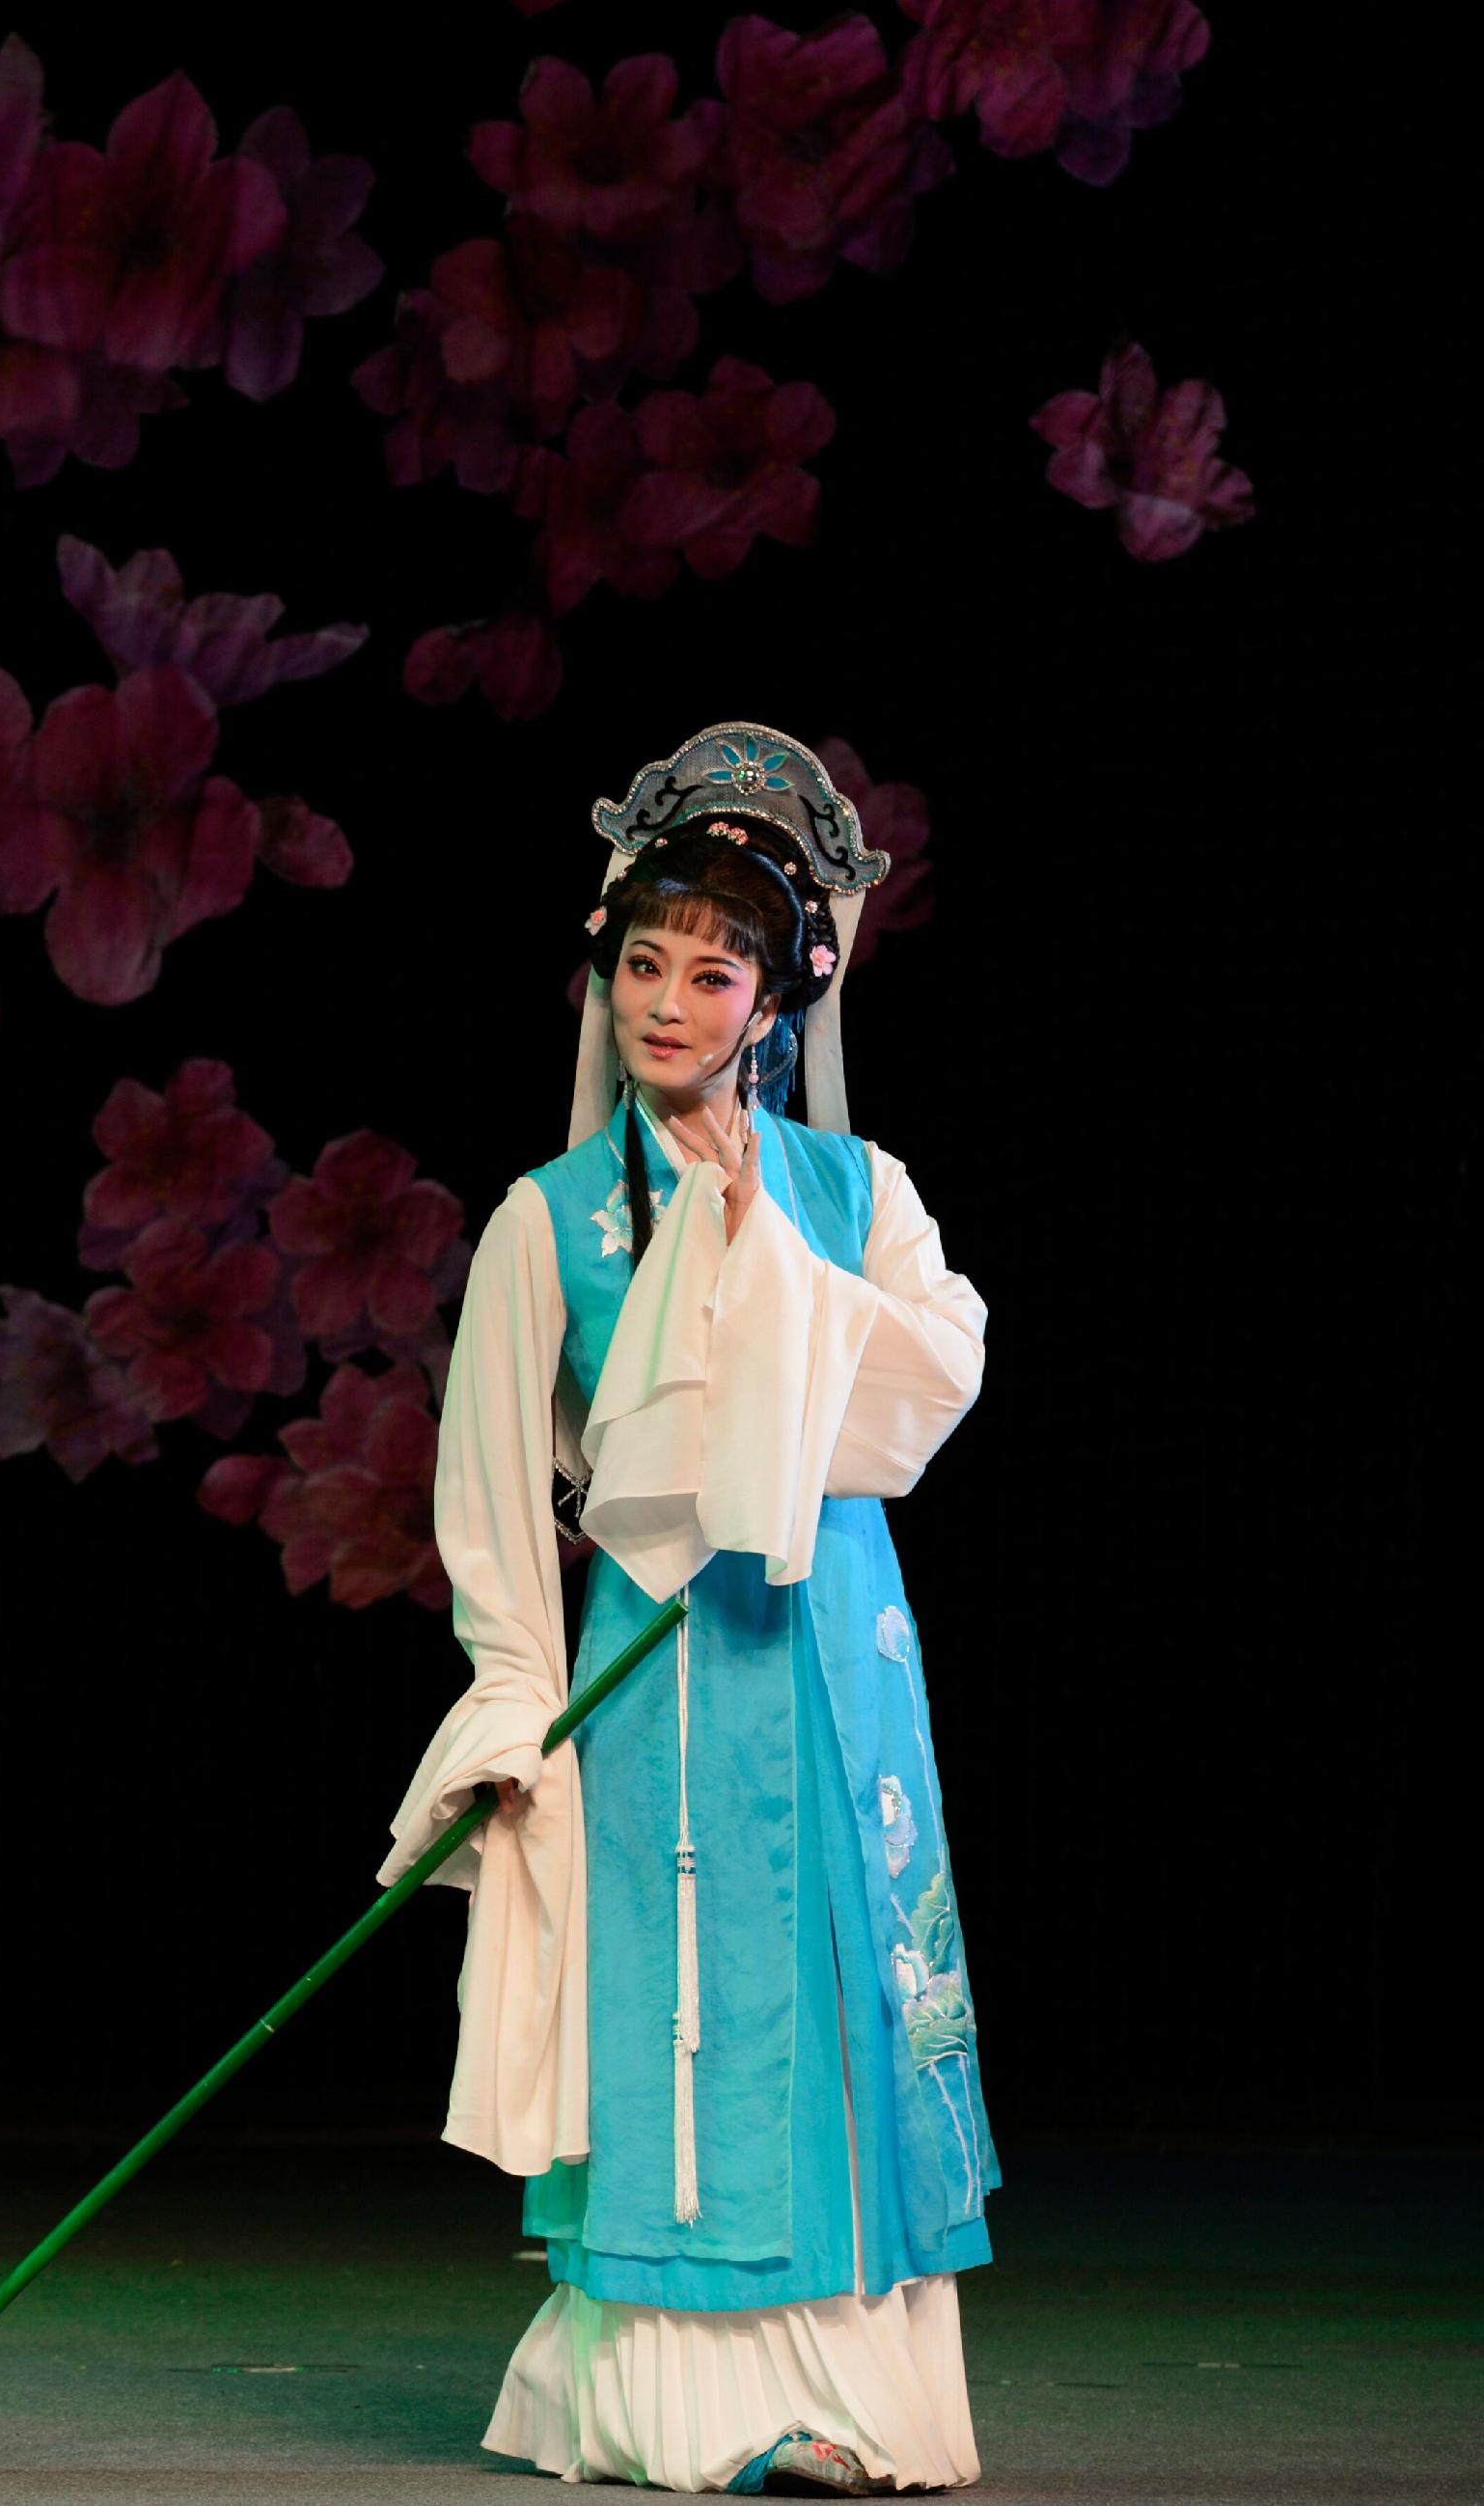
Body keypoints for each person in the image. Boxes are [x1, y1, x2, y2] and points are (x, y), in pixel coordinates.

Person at [383, 726, 992, 2495]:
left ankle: (858, 2388)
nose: (668, 999)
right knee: (684, 2009)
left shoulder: (855, 1193)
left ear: (775, 992)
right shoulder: (548, 1221)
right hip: (655, 1686)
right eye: (642, 961)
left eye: (710, 968)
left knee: (849, 2005)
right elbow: (495, 1495)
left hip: (834, 1671)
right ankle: (691, 2402)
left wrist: (766, 1261)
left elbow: (929, 1382)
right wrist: (508, 1697)